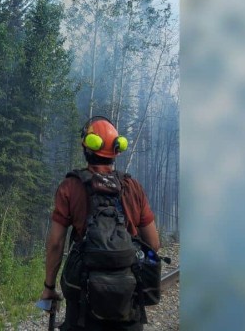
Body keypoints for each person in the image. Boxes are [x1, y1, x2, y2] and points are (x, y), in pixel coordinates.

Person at [39, 116, 161, 330]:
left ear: (87, 147)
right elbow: (153, 244)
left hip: (83, 300)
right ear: (116, 151)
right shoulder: (133, 187)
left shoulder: (70, 187)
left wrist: (49, 286)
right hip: (127, 298)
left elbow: (56, 244)